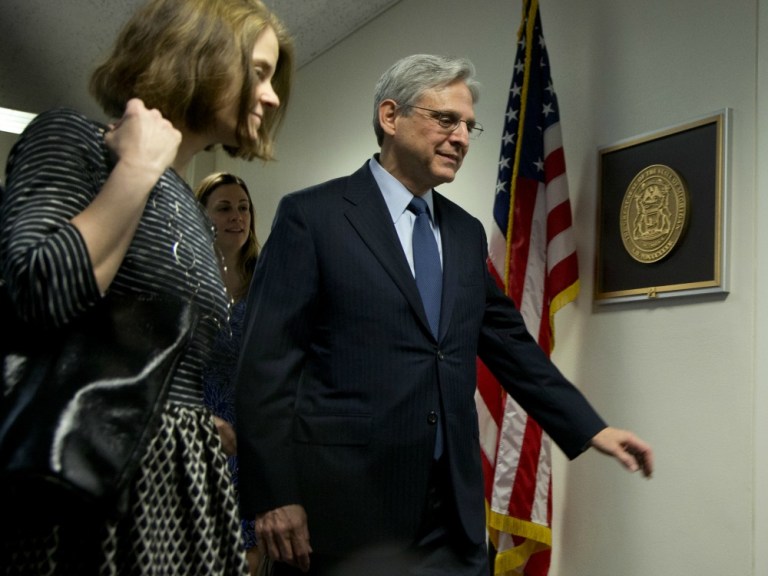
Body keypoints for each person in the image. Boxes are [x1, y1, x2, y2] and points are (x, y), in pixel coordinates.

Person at [234, 53, 654, 576]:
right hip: (344, 511)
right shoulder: (313, 217)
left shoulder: (464, 232)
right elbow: (263, 370)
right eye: (446, 120)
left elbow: (509, 343)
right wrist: (274, 495)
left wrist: (591, 429)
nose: (460, 138)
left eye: (469, 128)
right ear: (391, 117)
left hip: (450, 517)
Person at [0, 0, 293, 574]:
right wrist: (136, 168)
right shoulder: (75, 139)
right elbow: (36, 294)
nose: (273, 96)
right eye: (259, 72)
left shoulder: (184, 201)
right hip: (90, 496)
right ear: (201, 57)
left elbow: (130, 342)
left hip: (179, 484)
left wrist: (183, 414)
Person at [195, 172, 262, 574]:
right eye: (223, 208)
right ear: (202, 216)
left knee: (248, 557)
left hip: (253, 439)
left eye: (243, 207)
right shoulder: (183, 277)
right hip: (200, 433)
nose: (237, 217)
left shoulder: (268, 277)